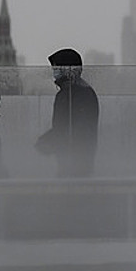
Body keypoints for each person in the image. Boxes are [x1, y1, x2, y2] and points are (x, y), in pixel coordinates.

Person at [35, 48, 99, 178]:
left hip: (75, 165)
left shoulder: (75, 93)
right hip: (75, 162)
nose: (54, 71)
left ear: (68, 69)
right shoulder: (77, 92)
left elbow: (73, 128)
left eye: (57, 67)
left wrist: (49, 142)